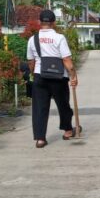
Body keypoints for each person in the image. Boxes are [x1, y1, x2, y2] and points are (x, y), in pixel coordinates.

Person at [27, 9, 78, 148]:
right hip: (58, 77)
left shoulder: (33, 39)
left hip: (39, 76)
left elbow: (31, 61)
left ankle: (40, 139)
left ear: (40, 22)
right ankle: (68, 131)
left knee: (40, 108)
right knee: (63, 105)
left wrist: (33, 73)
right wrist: (73, 75)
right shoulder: (59, 38)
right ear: (53, 23)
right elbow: (66, 60)